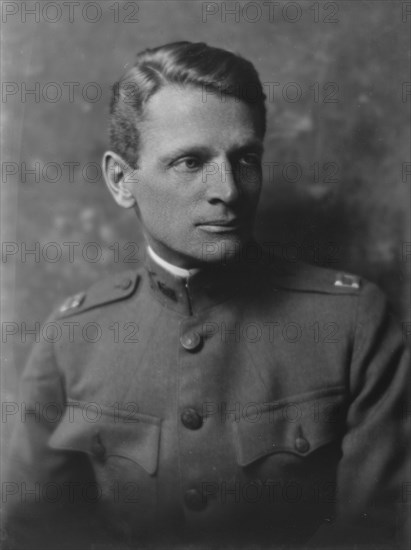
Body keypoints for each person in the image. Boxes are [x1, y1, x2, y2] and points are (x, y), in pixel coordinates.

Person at [4, 41, 409, 550]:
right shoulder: (72, 338)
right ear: (121, 180)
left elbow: (378, 532)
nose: (230, 190)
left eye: (245, 159)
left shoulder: (353, 323)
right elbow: (34, 530)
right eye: (190, 162)